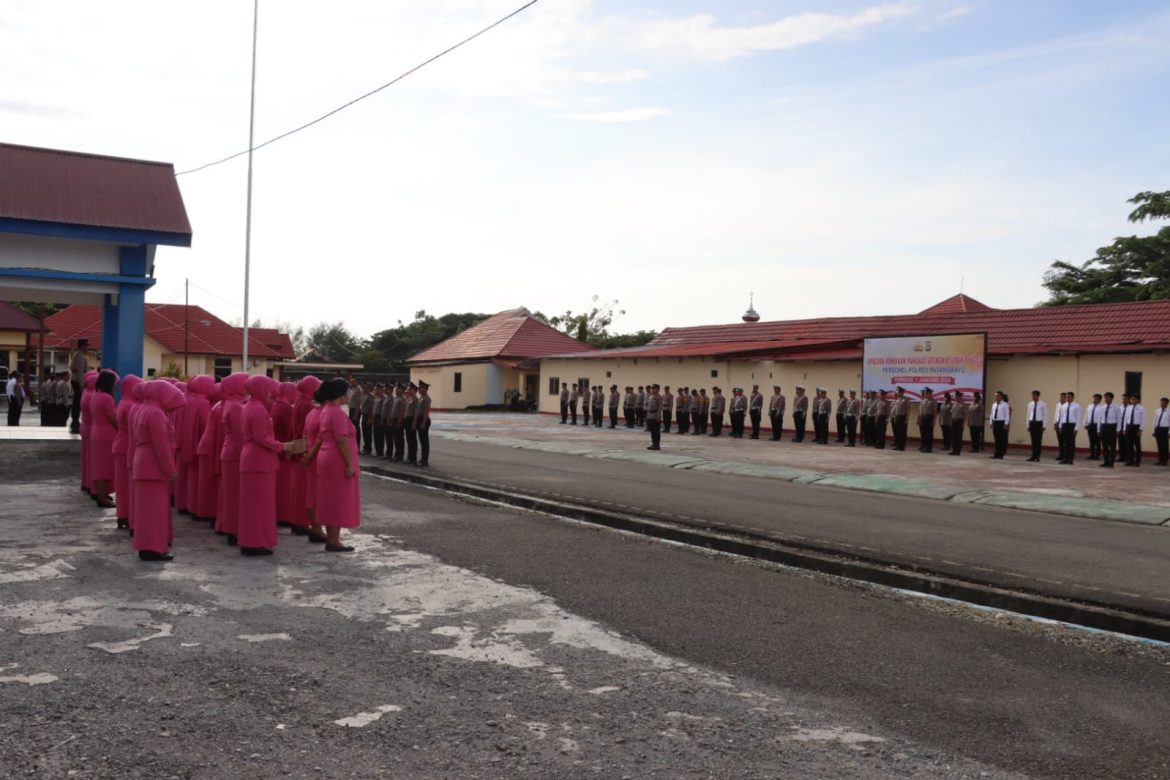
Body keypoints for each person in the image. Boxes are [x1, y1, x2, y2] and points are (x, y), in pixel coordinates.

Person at [238, 375, 295, 556]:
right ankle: (254, 542)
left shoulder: (251, 406)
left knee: (255, 504)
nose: (272, 393)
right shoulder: (257, 409)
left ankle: (253, 540)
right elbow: (262, 437)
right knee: (258, 504)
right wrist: (282, 446)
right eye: (268, 389)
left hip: (254, 458)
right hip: (258, 460)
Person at [303, 377, 361, 552]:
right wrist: (349, 464)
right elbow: (341, 439)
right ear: (341, 394)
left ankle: (332, 537)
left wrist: (310, 456)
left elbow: (321, 438)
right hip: (336, 460)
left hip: (326, 457)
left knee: (329, 499)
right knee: (338, 500)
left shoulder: (326, 410)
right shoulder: (336, 412)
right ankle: (333, 540)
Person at [131, 381, 185, 562]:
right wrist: (170, 468)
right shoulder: (155, 413)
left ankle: (148, 546)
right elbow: (161, 444)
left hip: (145, 462)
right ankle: (152, 548)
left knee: (147, 510)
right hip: (153, 464)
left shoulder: (144, 409)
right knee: (154, 510)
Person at [215, 372, 250, 546]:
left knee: (230, 493)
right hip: (235, 453)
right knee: (235, 494)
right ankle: (233, 529)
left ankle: (229, 527)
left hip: (231, 451)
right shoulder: (236, 406)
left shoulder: (231, 403)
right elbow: (241, 434)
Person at [289, 375, 322, 535]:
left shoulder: (299, 402)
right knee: (304, 489)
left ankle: (298, 520)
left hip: (298, 446)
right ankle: (301, 521)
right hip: (304, 448)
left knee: (299, 487)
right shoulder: (307, 405)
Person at [111, 374, 143, 530]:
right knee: (127, 485)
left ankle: (122, 514)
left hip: (121, 443)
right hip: (127, 445)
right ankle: (128, 515)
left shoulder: (124, 401)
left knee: (122, 484)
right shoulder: (131, 405)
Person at [195, 383, 225, 527]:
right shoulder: (219, 406)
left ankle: (209, 513)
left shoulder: (216, 405)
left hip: (207, 445)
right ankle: (211, 514)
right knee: (212, 485)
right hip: (213, 447)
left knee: (207, 484)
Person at [88, 370, 119, 508]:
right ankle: (102, 497)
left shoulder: (95, 396)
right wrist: (122, 430)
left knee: (99, 466)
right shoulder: (107, 398)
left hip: (97, 433)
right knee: (104, 468)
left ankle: (102, 494)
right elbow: (113, 419)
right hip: (106, 435)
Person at [272, 382, 298, 526]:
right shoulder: (286, 408)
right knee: (284, 487)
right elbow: (289, 430)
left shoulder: (277, 405)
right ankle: (283, 516)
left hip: (278, 450)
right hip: (284, 450)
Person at [69, 339, 88, 432]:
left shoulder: (77, 354)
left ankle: (75, 421)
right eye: (86, 345)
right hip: (77, 381)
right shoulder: (80, 355)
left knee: (76, 402)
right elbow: (80, 371)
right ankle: (75, 421)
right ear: (82, 346)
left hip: (75, 380)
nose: (87, 347)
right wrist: (82, 384)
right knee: (77, 403)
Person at [1056, 390, 1081, 464]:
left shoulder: (1077, 406)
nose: (1067, 398)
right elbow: (1062, 417)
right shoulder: (1064, 406)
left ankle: (1070, 459)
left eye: (1069, 397)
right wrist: (1060, 427)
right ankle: (1065, 459)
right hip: (1064, 425)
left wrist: (1076, 428)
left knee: (1071, 443)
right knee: (1065, 443)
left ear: (1073, 397)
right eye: (1066, 397)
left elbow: (1078, 418)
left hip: (1072, 425)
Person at [1025, 390, 1047, 462]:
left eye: (1034, 396)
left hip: (1039, 423)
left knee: (1038, 440)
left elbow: (1045, 415)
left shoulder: (1042, 404)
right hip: (1032, 423)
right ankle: (1033, 456)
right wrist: (1027, 424)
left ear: (1038, 396)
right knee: (1033, 440)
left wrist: (1044, 425)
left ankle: (1038, 456)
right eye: (1032, 396)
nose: (1033, 397)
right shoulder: (1030, 404)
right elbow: (1028, 414)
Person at [1124, 393, 1145, 467]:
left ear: (1138, 400)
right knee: (1129, 445)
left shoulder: (1141, 408)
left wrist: (1140, 429)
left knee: (1137, 445)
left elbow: (1142, 420)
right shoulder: (1128, 408)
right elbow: (1126, 419)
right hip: (1129, 426)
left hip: (1136, 427)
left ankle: (1137, 461)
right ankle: (1130, 460)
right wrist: (1124, 428)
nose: (1132, 400)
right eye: (1131, 399)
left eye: (1133, 399)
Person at [989, 391, 1010, 459]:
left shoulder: (1005, 404)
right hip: (995, 422)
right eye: (995, 396)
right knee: (996, 439)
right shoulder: (994, 404)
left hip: (1001, 423)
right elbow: (992, 414)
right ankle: (996, 454)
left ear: (1001, 396)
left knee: (1002, 439)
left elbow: (1007, 415)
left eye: (997, 395)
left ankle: (1001, 454)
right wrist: (991, 422)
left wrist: (1006, 424)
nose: (996, 397)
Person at [415, 380, 432, 467]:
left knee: (424, 441)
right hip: (419, 420)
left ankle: (424, 460)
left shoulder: (427, 399)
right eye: (419, 387)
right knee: (421, 440)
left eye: (421, 388)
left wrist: (423, 423)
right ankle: (422, 459)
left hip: (423, 420)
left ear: (425, 389)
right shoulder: (421, 398)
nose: (419, 389)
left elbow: (426, 412)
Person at [403, 384, 419, 465]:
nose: (410, 391)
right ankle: (409, 456)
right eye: (410, 389)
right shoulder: (409, 399)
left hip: (411, 420)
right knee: (409, 439)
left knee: (413, 440)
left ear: (415, 391)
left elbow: (416, 412)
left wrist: (414, 422)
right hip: (407, 420)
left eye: (412, 389)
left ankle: (413, 457)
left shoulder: (416, 400)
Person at [1084, 393, 1103, 460]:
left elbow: (1101, 418)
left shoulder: (1101, 408)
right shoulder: (1089, 406)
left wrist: (1100, 428)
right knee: (1091, 441)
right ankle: (1092, 455)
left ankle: (1097, 455)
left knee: (1097, 442)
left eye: (1096, 399)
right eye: (1093, 398)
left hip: (1097, 425)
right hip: (1090, 425)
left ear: (1100, 400)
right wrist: (1085, 423)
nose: (1094, 400)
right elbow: (1086, 415)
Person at [917, 388, 936, 453]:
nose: (926, 394)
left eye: (928, 393)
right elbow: (921, 411)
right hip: (923, 418)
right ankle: (924, 446)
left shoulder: (933, 401)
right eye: (926, 393)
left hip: (929, 418)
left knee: (929, 433)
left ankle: (929, 448)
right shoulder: (923, 401)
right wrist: (920, 419)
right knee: (924, 433)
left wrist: (934, 420)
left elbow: (934, 411)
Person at [371, 385, 387, 458]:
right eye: (376, 389)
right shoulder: (376, 398)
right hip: (375, 417)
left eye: (378, 389)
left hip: (380, 417)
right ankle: (377, 451)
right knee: (375, 435)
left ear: (381, 390)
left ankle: (381, 452)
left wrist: (382, 419)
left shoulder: (383, 398)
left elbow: (383, 410)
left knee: (380, 436)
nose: (376, 390)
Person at [1152, 397, 1169, 466]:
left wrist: (1169, 432)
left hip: (1165, 429)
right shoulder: (1157, 411)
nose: (1161, 404)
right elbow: (1155, 421)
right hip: (1158, 429)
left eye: (1163, 403)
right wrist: (1153, 430)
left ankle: (1164, 461)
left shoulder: (1169, 411)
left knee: (1164, 446)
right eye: (1161, 402)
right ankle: (1160, 460)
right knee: (1159, 445)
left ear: (1167, 403)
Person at [948, 391, 966, 456]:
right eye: (956, 396)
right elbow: (951, 413)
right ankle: (953, 450)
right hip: (953, 421)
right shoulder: (954, 404)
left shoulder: (963, 404)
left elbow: (964, 415)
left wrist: (963, 423)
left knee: (958, 437)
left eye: (958, 396)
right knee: (953, 437)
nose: (957, 397)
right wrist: (950, 422)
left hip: (959, 421)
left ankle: (958, 451)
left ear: (961, 397)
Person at [645, 384, 662, 450]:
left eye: (654, 388)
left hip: (655, 415)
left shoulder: (659, 397)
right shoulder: (651, 396)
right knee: (652, 430)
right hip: (650, 415)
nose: (653, 390)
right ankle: (653, 444)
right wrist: (647, 416)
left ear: (657, 389)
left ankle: (657, 445)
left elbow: (660, 407)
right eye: (652, 388)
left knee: (656, 431)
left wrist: (658, 416)